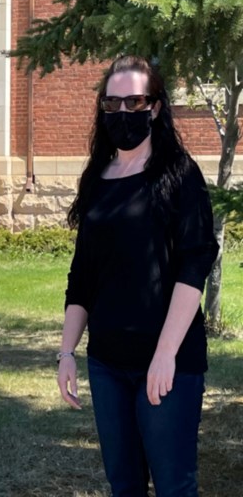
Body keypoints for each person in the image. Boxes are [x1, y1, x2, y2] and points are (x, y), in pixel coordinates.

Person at [58, 55, 218, 496]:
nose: (123, 114)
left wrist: (165, 355)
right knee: (123, 484)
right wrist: (67, 352)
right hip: (107, 364)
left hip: (169, 364)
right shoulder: (97, 178)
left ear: (156, 107)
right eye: (112, 104)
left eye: (135, 102)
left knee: (173, 485)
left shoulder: (179, 175)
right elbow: (83, 273)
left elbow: (195, 263)